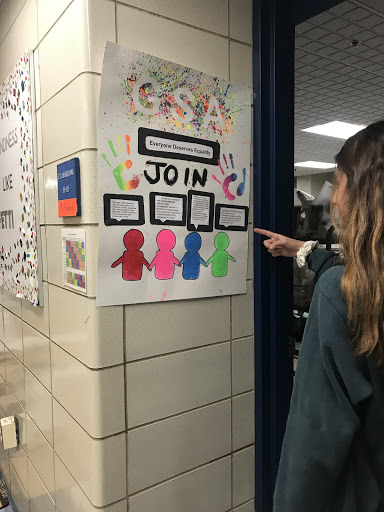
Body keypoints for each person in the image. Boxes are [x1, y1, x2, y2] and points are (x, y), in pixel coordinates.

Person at [255, 120, 384, 512]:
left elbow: (312, 447)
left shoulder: (339, 297)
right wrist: (302, 248)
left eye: (338, 179)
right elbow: (355, 270)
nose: (333, 194)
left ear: (357, 192)